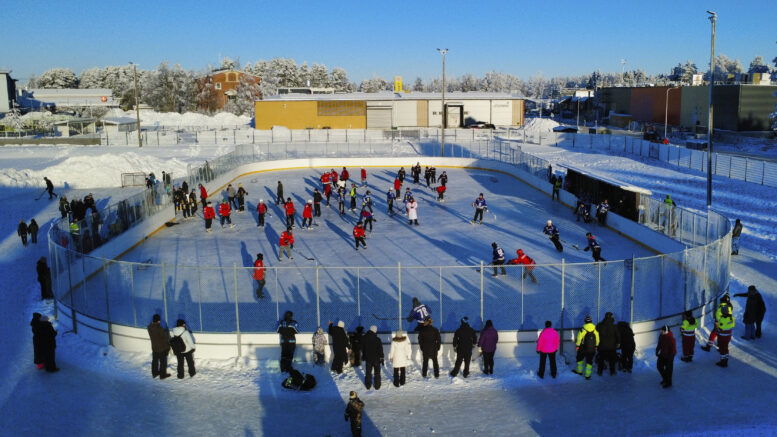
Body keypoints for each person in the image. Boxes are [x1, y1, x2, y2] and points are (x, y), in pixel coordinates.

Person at [573, 315, 599, 380]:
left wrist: (577, 346)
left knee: (580, 359)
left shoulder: (583, 329)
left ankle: (579, 371)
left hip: (583, 347)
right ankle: (588, 375)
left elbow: (579, 338)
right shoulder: (595, 328)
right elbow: (597, 338)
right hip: (592, 348)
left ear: (585, 321)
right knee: (589, 361)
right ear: (591, 321)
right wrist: (596, 346)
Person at [147, 314, 171, 379]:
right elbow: (164, 339)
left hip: (154, 347)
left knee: (155, 361)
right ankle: (162, 375)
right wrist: (168, 347)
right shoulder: (160, 329)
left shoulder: (149, 327)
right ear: (158, 320)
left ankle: (154, 373)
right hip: (161, 348)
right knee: (163, 362)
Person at [362, 325, 384, 390]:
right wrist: (382, 357)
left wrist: (364, 356)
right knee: (377, 372)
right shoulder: (377, 339)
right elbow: (380, 350)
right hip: (376, 359)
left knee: (368, 372)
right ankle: (377, 385)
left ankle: (368, 385)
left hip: (368, 358)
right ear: (375, 331)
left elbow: (363, 348)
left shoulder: (365, 338)